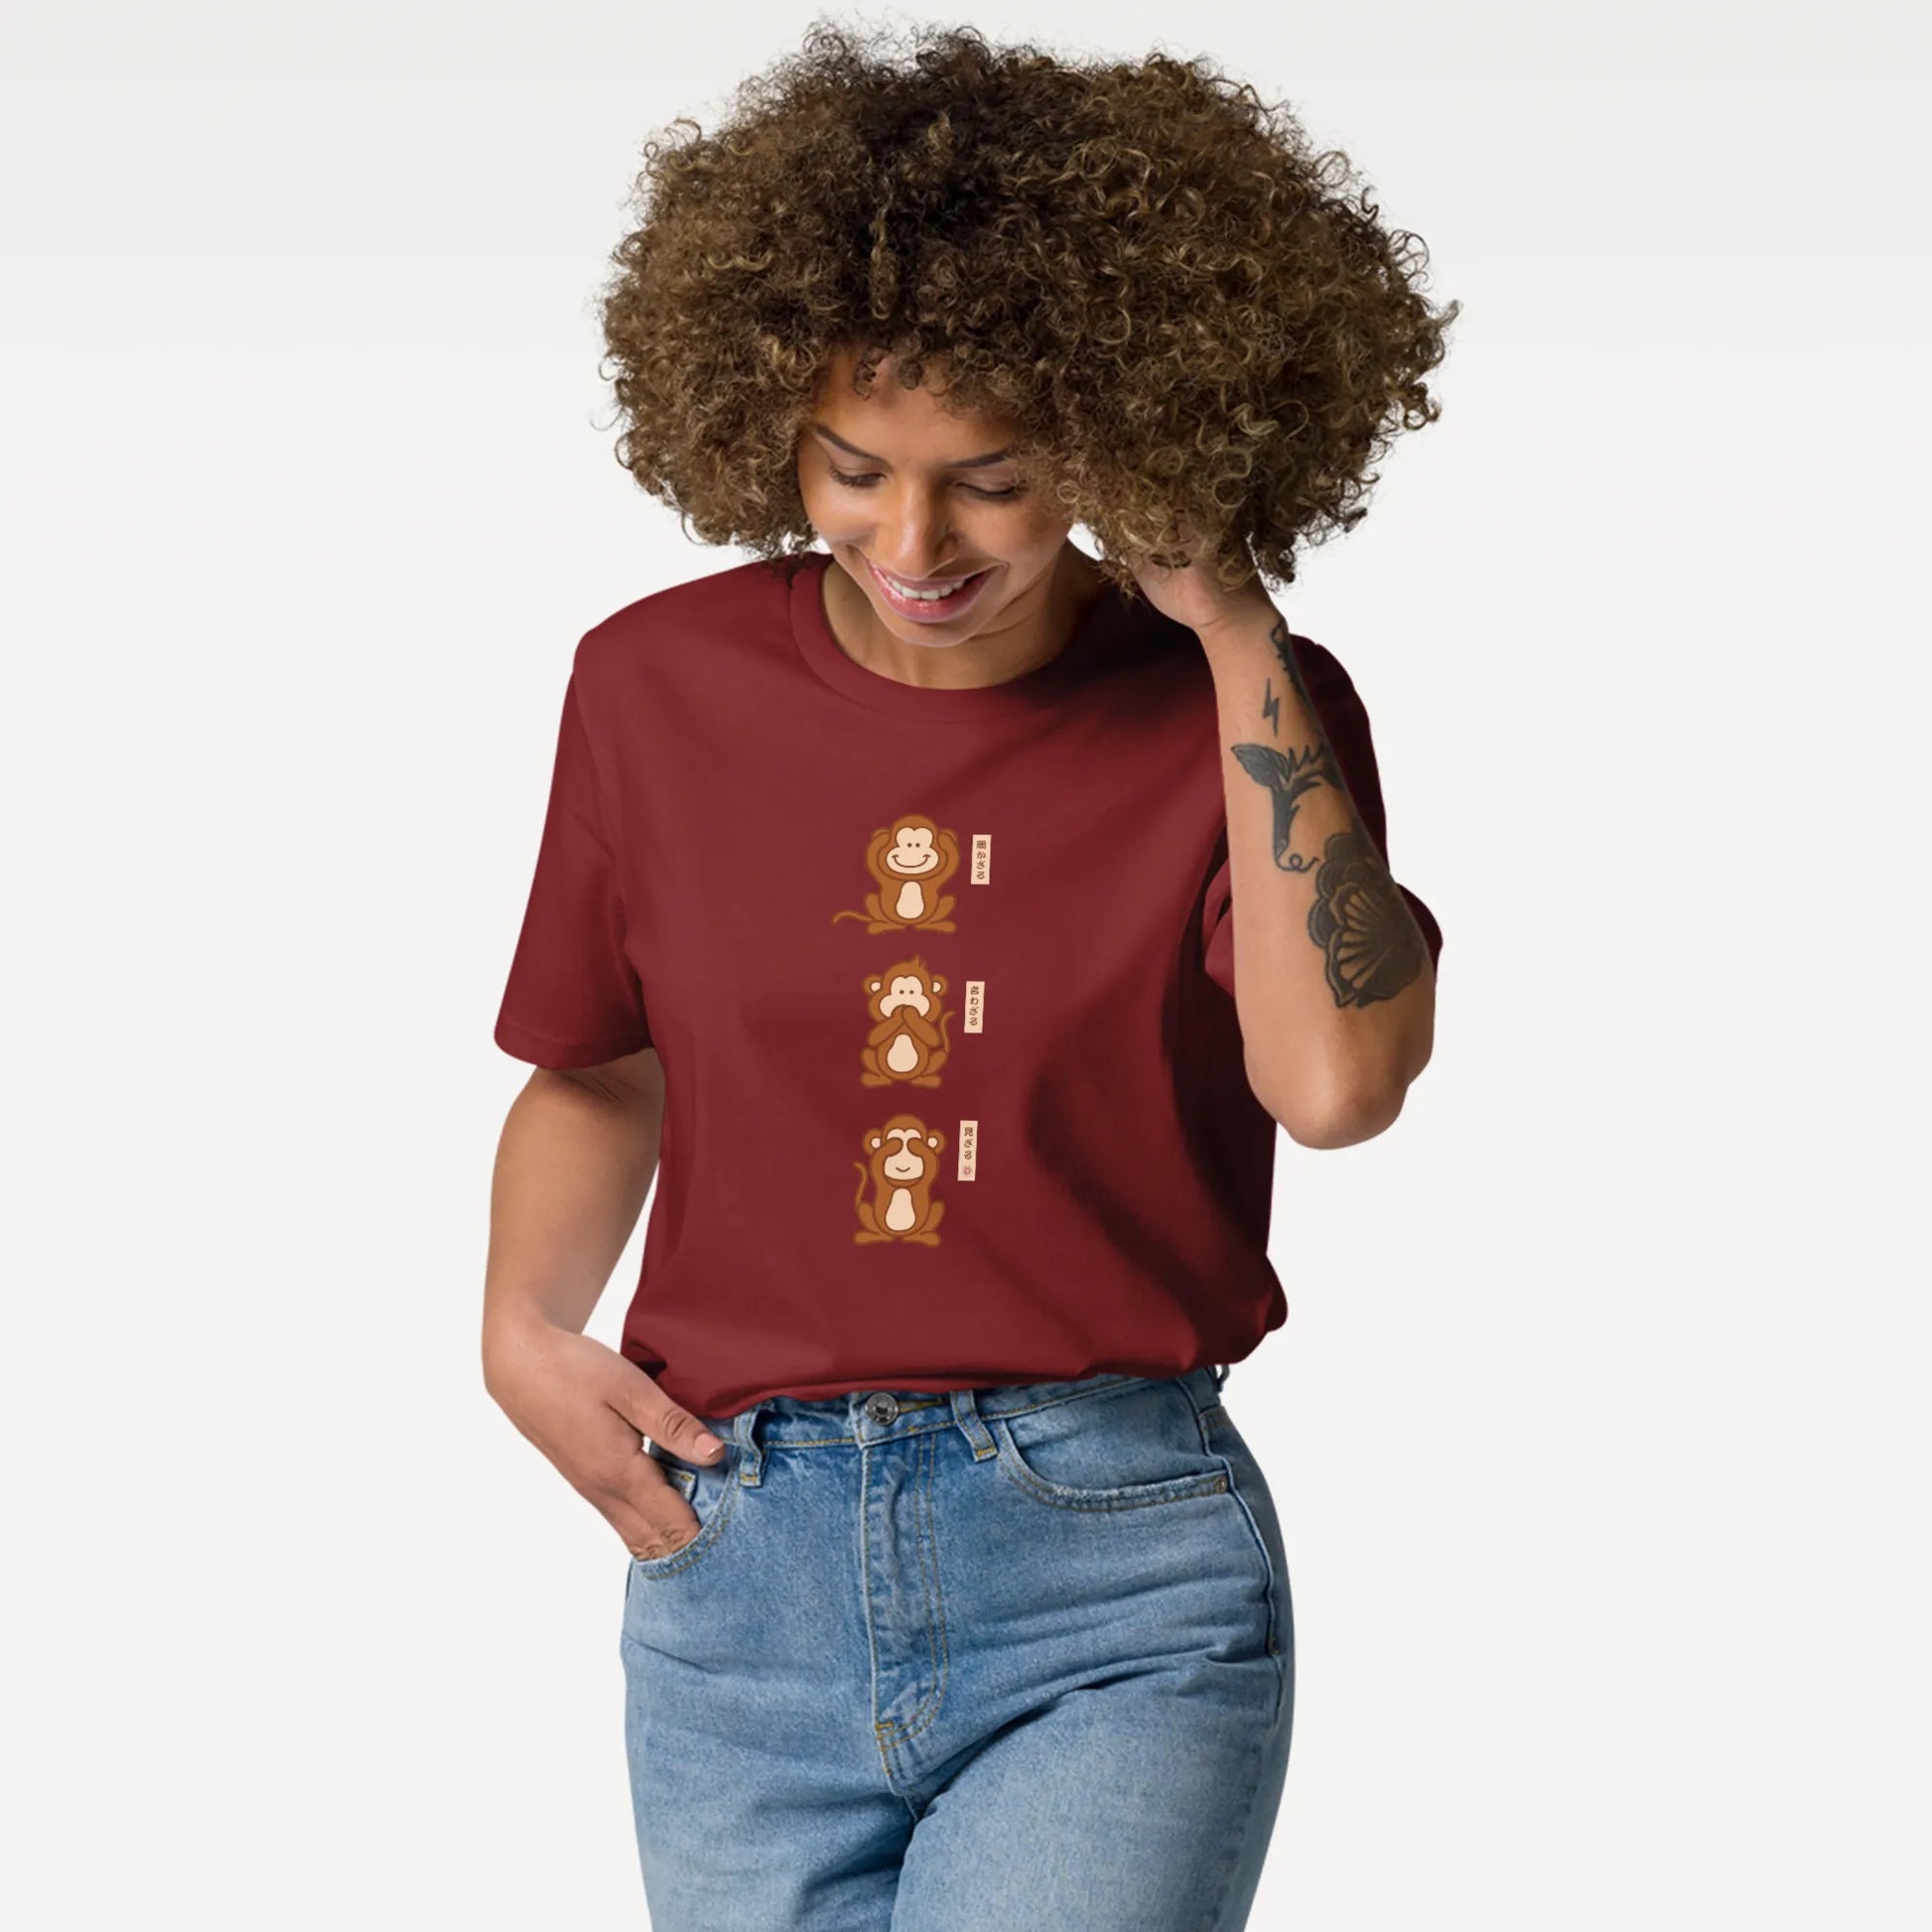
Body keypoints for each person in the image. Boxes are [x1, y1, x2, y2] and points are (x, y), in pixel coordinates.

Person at [482, 20, 1453, 1929]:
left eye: (994, 481)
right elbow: (601, 1060)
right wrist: (521, 1327)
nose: (911, 542)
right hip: (734, 1576)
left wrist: (1230, 622)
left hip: (1110, 1569)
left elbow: (1336, 1088)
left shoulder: (1245, 714)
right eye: (852, 469)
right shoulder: (652, 685)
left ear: (1117, 436)